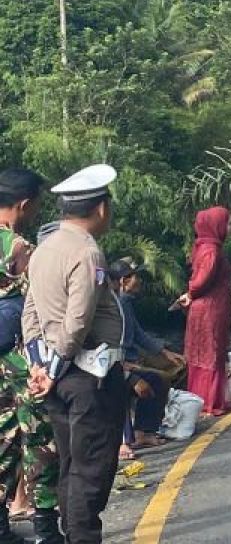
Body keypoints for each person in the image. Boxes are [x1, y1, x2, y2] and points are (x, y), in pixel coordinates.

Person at [23, 164, 125, 544]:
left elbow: (31, 315)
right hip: (88, 378)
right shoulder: (87, 253)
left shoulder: (44, 249)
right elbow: (77, 322)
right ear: (100, 209)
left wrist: (39, 365)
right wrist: (54, 366)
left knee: (71, 465)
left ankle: (71, 536)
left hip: (57, 378)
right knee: (91, 470)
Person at [0, 169, 60, 544]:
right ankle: (45, 529)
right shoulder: (19, 248)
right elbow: (45, 305)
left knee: (2, 439)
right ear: (23, 205)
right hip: (22, 362)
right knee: (40, 438)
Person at [112, 259, 186, 450]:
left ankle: (144, 430)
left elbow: (137, 333)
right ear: (124, 281)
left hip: (132, 358)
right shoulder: (117, 304)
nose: (139, 281)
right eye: (135, 276)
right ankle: (137, 434)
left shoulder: (126, 303)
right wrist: (126, 366)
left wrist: (164, 352)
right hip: (120, 362)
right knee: (157, 379)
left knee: (174, 368)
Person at [177, 207, 231, 416]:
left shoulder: (204, 247)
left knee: (206, 351)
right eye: (228, 223)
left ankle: (205, 399)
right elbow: (201, 280)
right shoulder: (211, 250)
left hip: (207, 307)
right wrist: (191, 291)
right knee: (212, 351)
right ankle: (210, 400)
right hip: (211, 308)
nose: (230, 228)